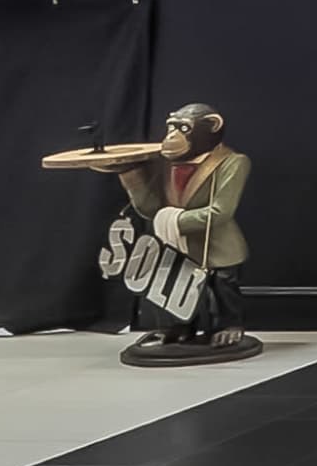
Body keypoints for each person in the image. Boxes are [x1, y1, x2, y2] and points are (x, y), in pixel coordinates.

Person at [98, 103, 259, 366]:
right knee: (175, 287)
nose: (172, 136)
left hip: (216, 246)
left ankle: (228, 326)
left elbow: (220, 213)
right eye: (171, 127)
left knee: (222, 286)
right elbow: (151, 210)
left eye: (183, 129)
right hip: (175, 244)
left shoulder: (233, 162)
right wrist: (131, 175)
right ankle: (179, 328)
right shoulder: (166, 164)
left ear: (213, 126)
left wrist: (172, 219)